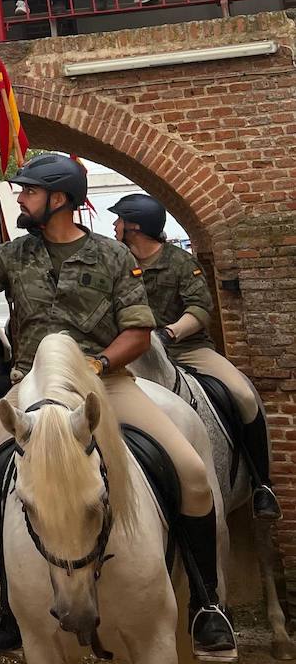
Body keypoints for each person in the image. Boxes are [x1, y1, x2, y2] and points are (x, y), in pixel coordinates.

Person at [0, 154, 238, 661]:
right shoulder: (14, 254)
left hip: (104, 387)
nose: (19, 198)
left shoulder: (111, 254)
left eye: (28, 191)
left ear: (58, 199)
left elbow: (137, 331)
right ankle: (7, 601)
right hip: (32, 388)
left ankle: (205, 603)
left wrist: (99, 364)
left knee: (194, 473)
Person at [109, 193, 280, 521]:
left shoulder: (180, 262)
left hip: (186, 348)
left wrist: (169, 333)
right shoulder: (118, 263)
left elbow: (200, 309)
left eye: (119, 220)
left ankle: (262, 484)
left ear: (135, 226)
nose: (114, 225)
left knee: (243, 395)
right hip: (138, 352)